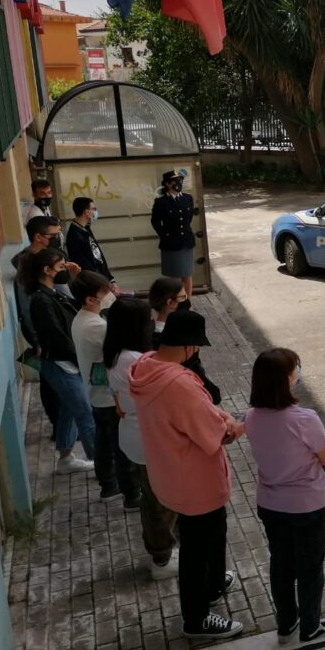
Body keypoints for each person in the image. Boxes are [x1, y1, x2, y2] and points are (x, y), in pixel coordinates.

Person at [129, 310, 245, 640]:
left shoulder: (148, 365)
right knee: (196, 548)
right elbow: (214, 434)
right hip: (195, 482)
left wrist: (219, 415)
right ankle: (197, 619)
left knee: (212, 532)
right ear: (189, 346)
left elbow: (203, 409)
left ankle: (212, 583)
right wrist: (235, 426)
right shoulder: (178, 384)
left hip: (169, 471)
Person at [245, 348, 325, 644]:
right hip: (309, 504)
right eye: (295, 369)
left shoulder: (251, 416)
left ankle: (286, 622)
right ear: (287, 379)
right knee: (310, 568)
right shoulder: (305, 418)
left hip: (271, 503)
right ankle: (311, 626)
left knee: (281, 565)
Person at [103, 297, 178, 581]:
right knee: (162, 502)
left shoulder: (115, 353)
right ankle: (162, 558)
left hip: (134, 437)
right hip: (150, 441)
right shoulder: (137, 361)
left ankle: (160, 551)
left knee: (152, 498)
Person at [23, 248, 96, 474]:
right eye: (62, 266)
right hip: (61, 363)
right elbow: (57, 336)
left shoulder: (53, 293)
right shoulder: (41, 300)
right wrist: (80, 359)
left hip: (66, 362)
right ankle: (105, 466)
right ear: (47, 270)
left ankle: (65, 458)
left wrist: (75, 279)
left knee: (68, 409)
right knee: (85, 412)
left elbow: (78, 307)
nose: (65, 269)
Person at [70, 271, 140, 507]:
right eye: (105, 294)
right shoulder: (96, 327)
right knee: (122, 449)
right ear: (91, 299)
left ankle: (108, 485)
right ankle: (131, 495)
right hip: (110, 397)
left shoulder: (81, 319)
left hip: (96, 393)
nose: (111, 296)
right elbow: (119, 351)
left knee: (103, 441)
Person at [13, 216, 78, 436]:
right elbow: (27, 305)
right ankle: (57, 426)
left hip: (59, 324)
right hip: (44, 332)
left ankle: (66, 428)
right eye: (54, 235)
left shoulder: (48, 258)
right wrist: (37, 340)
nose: (58, 238)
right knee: (52, 381)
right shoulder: (28, 264)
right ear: (39, 237)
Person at [148, 276, 221, 403]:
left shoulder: (151, 322)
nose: (186, 300)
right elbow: (192, 368)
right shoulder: (174, 336)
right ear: (170, 303)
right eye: (183, 297)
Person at [151, 169, 197, 300]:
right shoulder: (161, 202)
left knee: (187, 275)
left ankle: (187, 303)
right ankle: (176, 302)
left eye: (179, 180)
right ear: (167, 184)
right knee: (175, 278)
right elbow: (155, 221)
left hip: (186, 242)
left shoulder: (188, 198)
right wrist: (165, 236)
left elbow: (189, 218)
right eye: (174, 181)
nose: (177, 183)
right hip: (171, 243)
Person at [65, 197, 116, 287]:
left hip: (101, 280)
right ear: (86, 211)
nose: (95, 212)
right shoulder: (75, 235)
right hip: (93, 283)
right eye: (94, 209)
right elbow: (85, 264)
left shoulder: (85, 229)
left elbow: (98, 256)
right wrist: (102, 281)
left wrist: (111, 279)